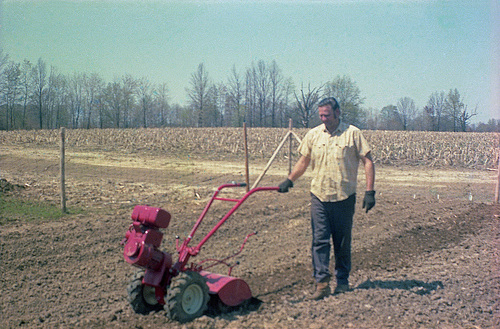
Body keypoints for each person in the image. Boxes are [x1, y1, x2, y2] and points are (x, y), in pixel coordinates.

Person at [278, 96, 375, 300]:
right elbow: (303, 162)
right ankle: (322, 284)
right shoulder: (314, 135)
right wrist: (290, 180)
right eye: (321, 115)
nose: (324, 119)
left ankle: (342, 282)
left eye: (327, 115)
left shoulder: (352, 133)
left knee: (341, 242)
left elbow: (367, 161)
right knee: (319, 241)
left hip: (344, 197)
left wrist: (369, 191)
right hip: (319, 196)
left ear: (337, 112)